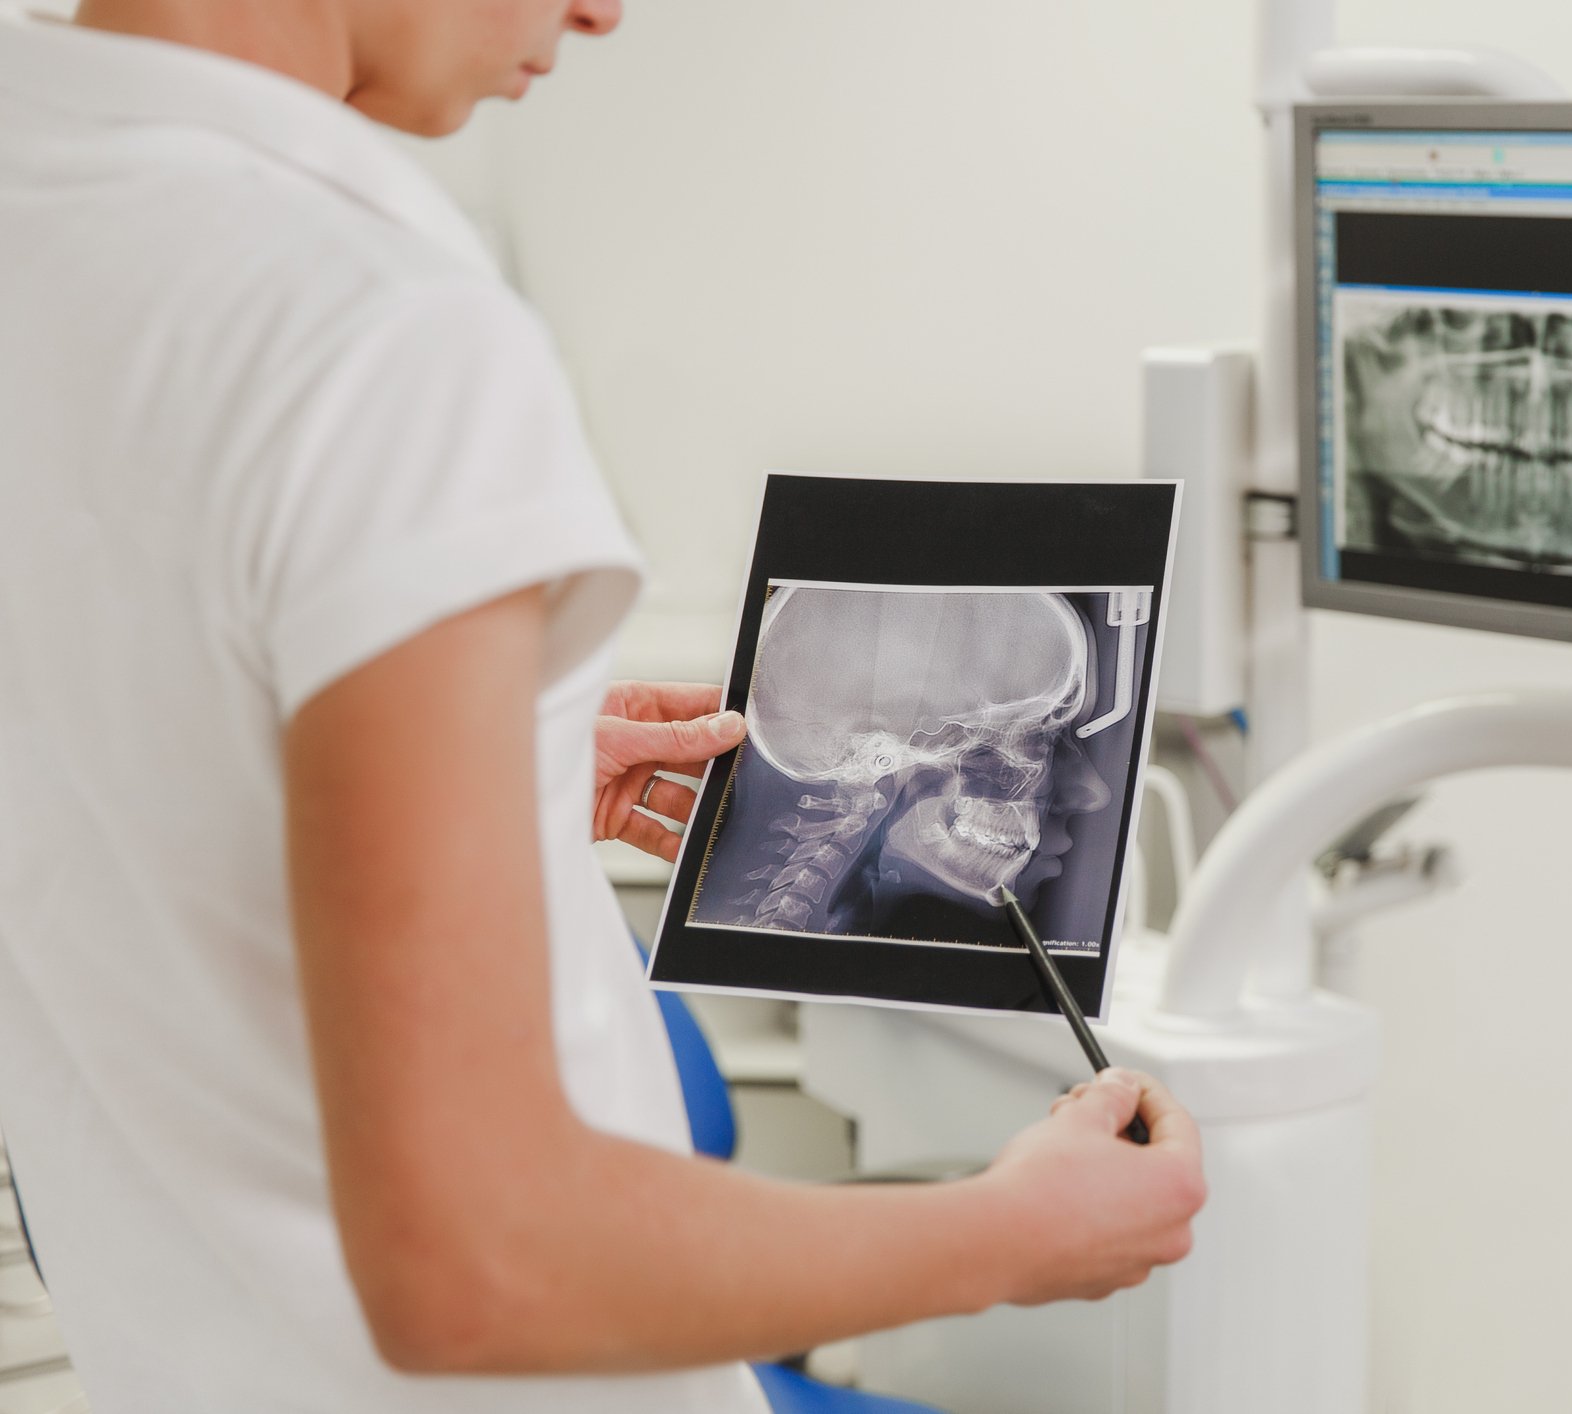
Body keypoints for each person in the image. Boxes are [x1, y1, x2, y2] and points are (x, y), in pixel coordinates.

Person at [0, 2, 1207, 1410]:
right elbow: (476, 1262)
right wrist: (1013, 1232)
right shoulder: (378, 327)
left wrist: (458, 780)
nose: (601, 10)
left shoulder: (47, 197)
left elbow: (101, 725)